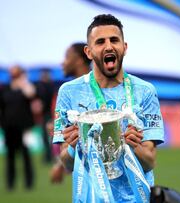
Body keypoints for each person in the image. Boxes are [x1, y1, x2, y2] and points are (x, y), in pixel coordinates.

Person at [53, 14, 164, 202]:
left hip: (137, 198)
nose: (108, 46)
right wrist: (72, 148)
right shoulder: (68, 92)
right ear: (88, 52)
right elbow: (66, 162)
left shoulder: (145, 91)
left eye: (114, 40)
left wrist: (133, 145)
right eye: (100, 42)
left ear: (124, 47)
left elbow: (149, 161)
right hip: (92, 198)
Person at [49, 42, 91, 183]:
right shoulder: (68, 92)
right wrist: (60, 164)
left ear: (79, 60)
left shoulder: (96, 88)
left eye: (67, 57)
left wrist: (59, 166)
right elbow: (71, 138)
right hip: (83, 177)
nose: (62, 63)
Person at [0, 65, 35, 190]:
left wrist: (23, 82)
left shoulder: (25, 86)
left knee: (26, 156)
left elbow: (31, 94)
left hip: (24, 128)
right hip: (9, 128)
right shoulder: (5, 89)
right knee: (10, 157)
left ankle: (29, 183)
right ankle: (10, 183)